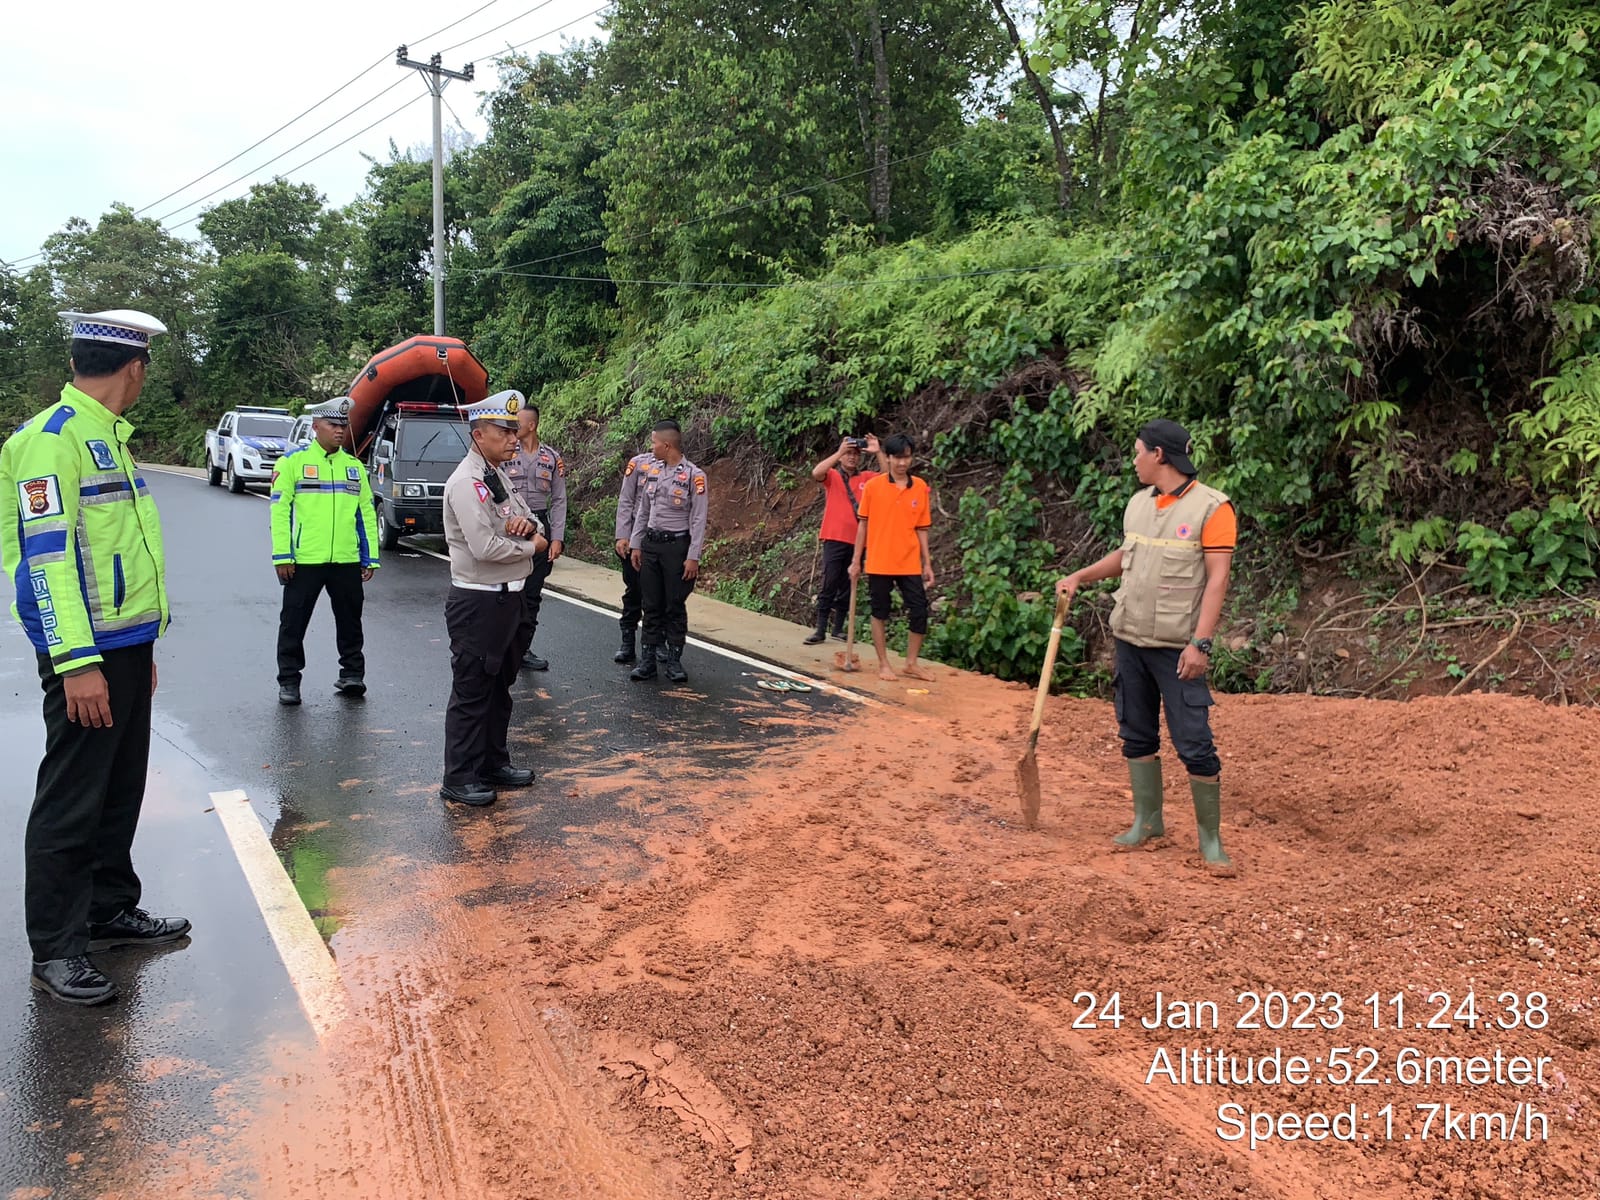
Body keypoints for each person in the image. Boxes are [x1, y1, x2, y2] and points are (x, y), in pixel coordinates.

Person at [0, 309, 190, 1007]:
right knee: (71, 799)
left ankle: (110, 908)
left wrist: (139, 648)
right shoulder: (51, 442)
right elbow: (46, 561)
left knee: (118, 788)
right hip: (85, 653)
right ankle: (56, 947)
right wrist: (77, 661)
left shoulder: (107, 438)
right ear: (133, 368)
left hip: (125, 647)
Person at [1055, 419, 1237, 872]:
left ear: (1159, 455)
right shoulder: (1138, 504)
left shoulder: (1213, 509)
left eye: (1137, 451)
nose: (1132, 459)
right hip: (1130, 639)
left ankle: (1210, 841)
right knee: (1136, 734)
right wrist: (1080, 575)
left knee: (1194, 742)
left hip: (1178, 647)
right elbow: (1127, 556)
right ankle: (1147, 821)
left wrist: (1201, 643)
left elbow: (1217, 580)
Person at [439, 390, 548, 807]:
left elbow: (529, 515)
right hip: (479, 602)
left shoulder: (495, 475)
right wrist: (531, 547)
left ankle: (491, 763)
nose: (513, 437)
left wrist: (527, 526)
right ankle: (460, 775)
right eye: (504, 430)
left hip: (509, 600)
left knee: (500, 687)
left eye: (513, 429)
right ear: (478, 433)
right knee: (472, 690)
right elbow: (484, 547)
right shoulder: (467, 483)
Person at [270, 396, 380, 705]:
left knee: (350, 621)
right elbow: (280, 512)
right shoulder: (292, 463)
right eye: (333, 425)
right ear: (315, 426)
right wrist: (283, 555)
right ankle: (289, 681)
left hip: (346, 559)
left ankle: (352, 674)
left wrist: (369, 556)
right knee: (293, 622)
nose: (340, 431)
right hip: (304, 559)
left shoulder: (354, 468)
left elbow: (366, 514)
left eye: (343, 425)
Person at [848, 434, 936, 682]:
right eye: (897, 457)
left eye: (906, 457)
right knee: (880, 612)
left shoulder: (919, 486)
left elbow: (922, 529)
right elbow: (863, 526)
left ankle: (911, 663)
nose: (902, 463)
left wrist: (927, 563)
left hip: (909, 562)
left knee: (919, 610)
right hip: (879, 561)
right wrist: (856, 561)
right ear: (888, 457)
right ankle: (884, 663)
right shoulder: (874, 487)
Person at [628, 421, 707, 684]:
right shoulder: (652, 471)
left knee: (674, 605)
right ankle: (647, 661)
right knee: (650, 605)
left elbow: (698, 518)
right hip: (651, 545)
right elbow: (643, 511)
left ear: (667, 445)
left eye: (653, 442)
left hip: (676, 548)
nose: (651, 447)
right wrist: (636, 543)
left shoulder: (694, 476)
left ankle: (674, 661)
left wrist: (693, 556)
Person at [503, 401, 567, 672]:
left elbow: (560, 499)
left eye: (518, 423)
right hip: (510, 527)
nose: (513, 428)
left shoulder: (551, 458)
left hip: (540, 524)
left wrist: (557, 538)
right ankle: (502, 645)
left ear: (531, 425)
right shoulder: (505, 453)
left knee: (532, 594)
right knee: (506, 592)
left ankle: (523, 649)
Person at [805, 434, 880, 644]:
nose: (852, 458)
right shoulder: (833, 477)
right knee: (829, 581)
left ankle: (838, 629)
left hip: (858, 541)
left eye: (856, 454)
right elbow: (816, 472)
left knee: (849, 584)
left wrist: (878, 452)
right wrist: (839, 451)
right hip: (834, 537)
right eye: (848, 454)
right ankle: (820, 629)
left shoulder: (866, 478)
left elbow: (889, 478)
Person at [611, 430, 669, 665]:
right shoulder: (638, 464)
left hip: (664, 541)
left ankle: (659, 641)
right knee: (634, 591)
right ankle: (627, 641)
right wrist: (622, 536)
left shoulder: (682, 470)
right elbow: (626, 500)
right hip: (636, 537)